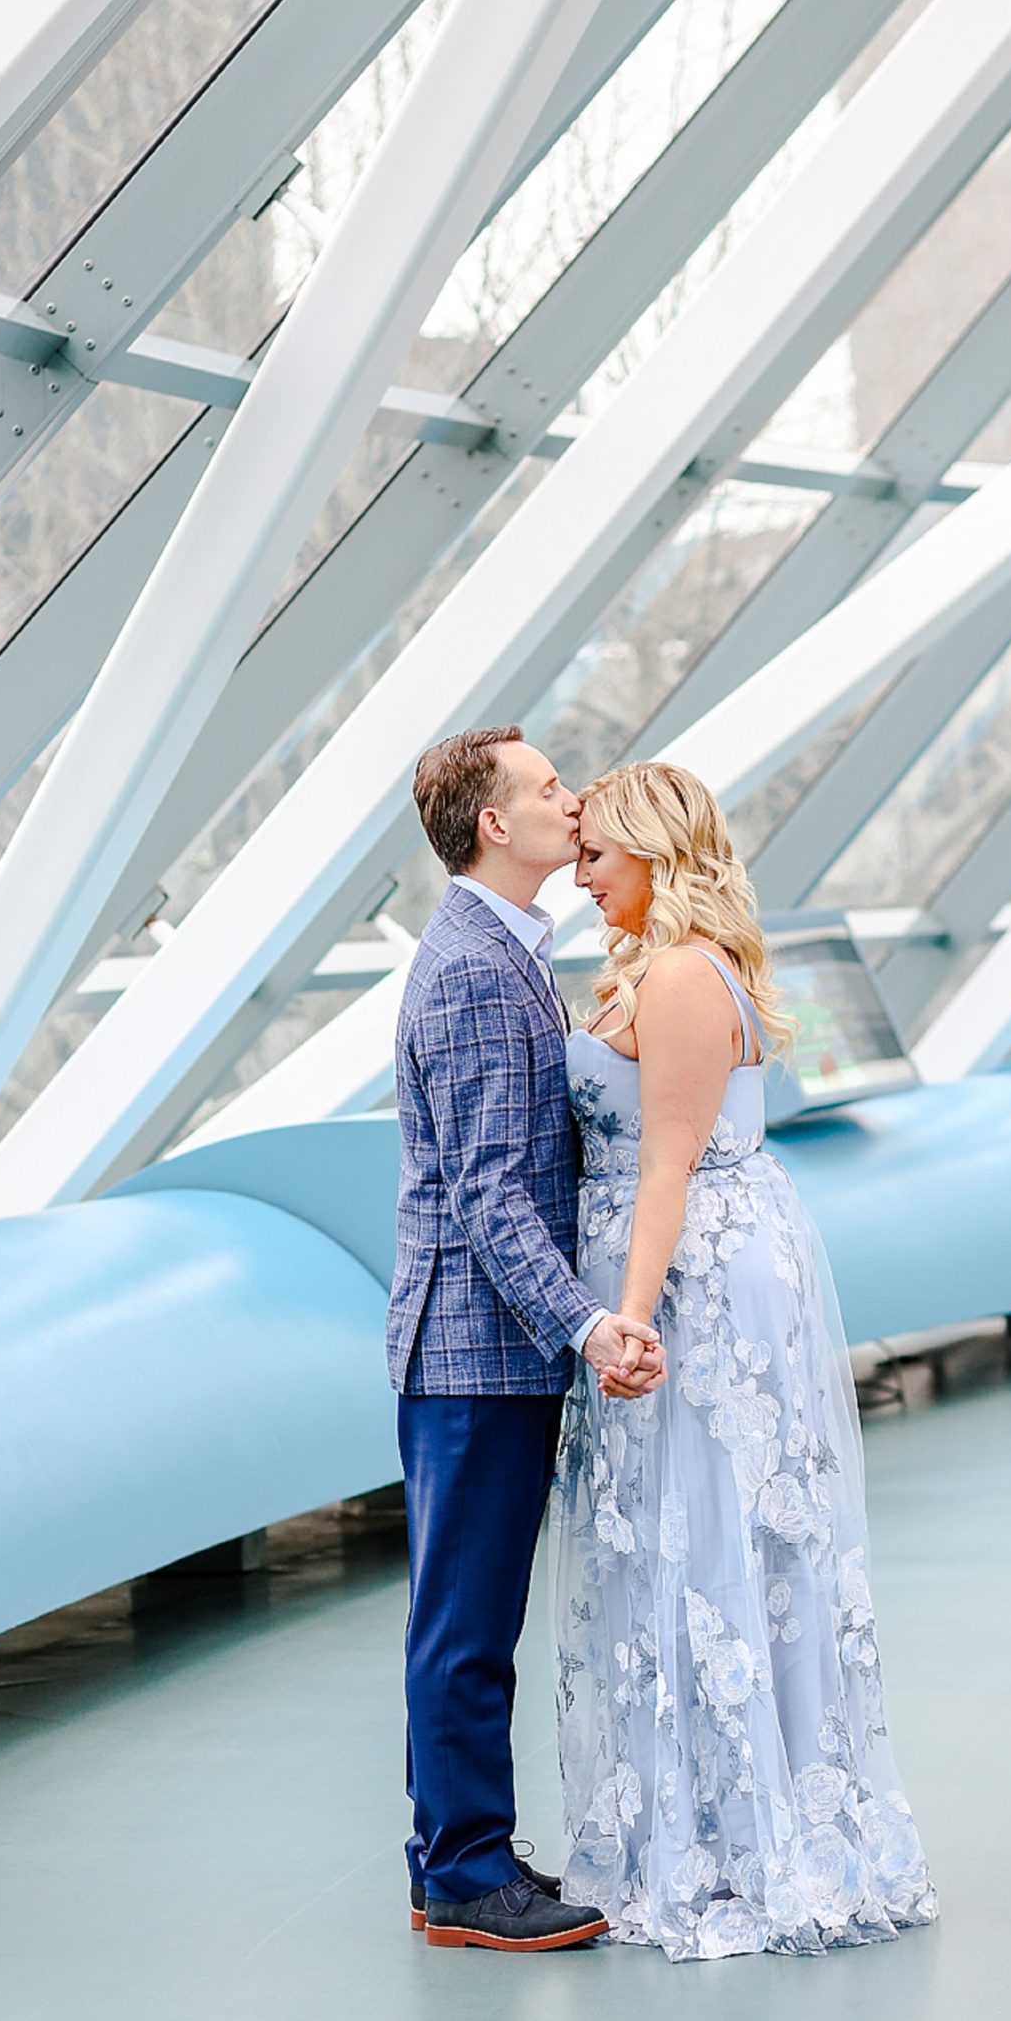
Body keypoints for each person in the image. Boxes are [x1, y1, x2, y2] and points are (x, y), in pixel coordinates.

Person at [550, 759, 940, 1961]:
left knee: (704, 1527)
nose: (579, 874)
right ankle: (714, 1819)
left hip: (691, 1287)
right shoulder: (662, 965)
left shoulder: (675, 975)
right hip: (691, 1266)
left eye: (598, 857)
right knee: (691, 1532)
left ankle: (734, 1842)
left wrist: (628, 1317)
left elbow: (665, 1161)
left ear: (655, 857)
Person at [389, 726, 666, 1953]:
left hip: (478, 1344)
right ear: (494, 824)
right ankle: (466, 1873)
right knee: (466, 1623)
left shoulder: (497, 953)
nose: (574, 798)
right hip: (475, 1349)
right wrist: (588, 1321)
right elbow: (493, 1193)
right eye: (551, 787)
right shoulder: (471, 970)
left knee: (463, 1612)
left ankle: (450, 1852)